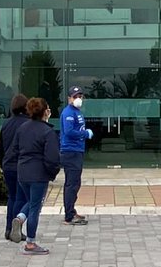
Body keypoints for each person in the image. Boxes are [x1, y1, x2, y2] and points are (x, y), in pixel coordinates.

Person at [4, 98, 60, 255]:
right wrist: (52, 173)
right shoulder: (48, 132)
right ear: (44, 112)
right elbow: (52, 158)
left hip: (22, 173)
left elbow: (14, 150)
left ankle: (20, 218)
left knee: (31, 202)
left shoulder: (22, 128)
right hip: (38, 175)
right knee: (36, 207)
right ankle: (30, 244)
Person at [0, 93, 29, 242]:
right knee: (21, 198)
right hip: (21, 165)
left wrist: (2, 163)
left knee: (12, 197)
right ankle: (16, 229)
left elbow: (0, 146)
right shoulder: (28, 123)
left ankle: (8, 229)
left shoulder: (7, 123)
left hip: (7, 164)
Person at [60, 85, 93, 225]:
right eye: (75, 97)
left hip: (77, 151)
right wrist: (85, 134)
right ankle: (68, 216)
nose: (79, 99)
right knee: (71, 184)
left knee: (75, 183)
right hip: (70, 151)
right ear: (69, 99)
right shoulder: (68, 113)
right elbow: (68, 132)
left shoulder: (77, 111)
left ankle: (71, 210)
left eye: (80, 96)